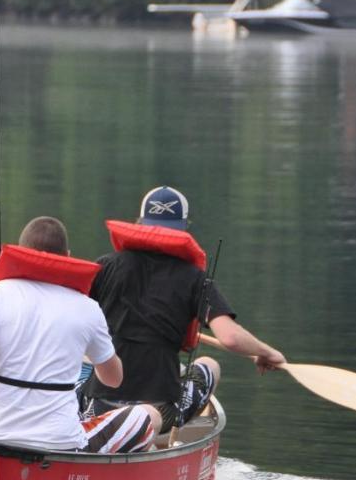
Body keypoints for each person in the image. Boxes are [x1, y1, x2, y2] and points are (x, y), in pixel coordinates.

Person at [0, 216, 161, 453]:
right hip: (61, 443)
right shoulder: (87, 308)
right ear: (67, 256)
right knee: (149, 415)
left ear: (22, 252)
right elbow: (113, 379)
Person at [82, 185, 286, 431]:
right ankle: (163, 438)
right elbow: (231, 337)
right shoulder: (195, 279)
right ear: (183, 228)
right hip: (160, 410)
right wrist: (267, 352)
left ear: (140, 222)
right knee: (210, 366)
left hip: (100, 405)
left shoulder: (106, 266)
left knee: (83, 364)